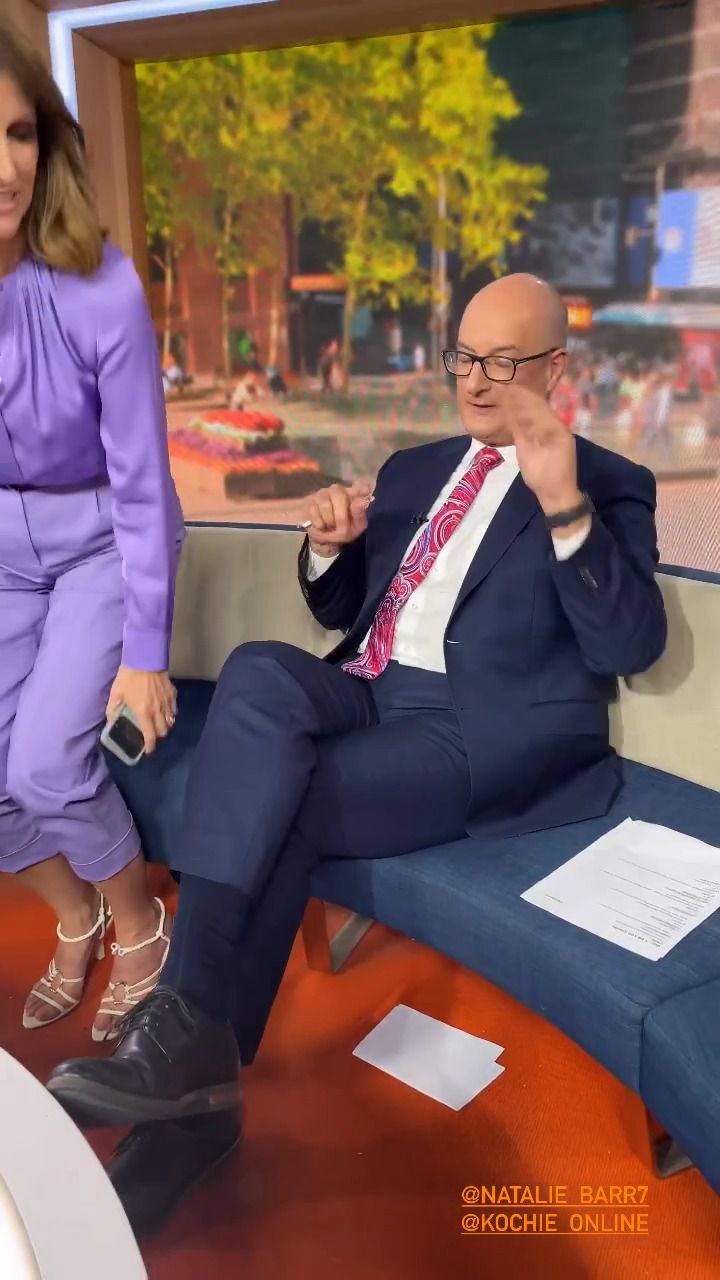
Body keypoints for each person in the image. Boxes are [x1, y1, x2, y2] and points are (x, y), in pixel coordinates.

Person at [48, 273, 667, 1238]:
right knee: (260, 668)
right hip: (370, 689)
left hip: (476, 732)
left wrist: (563, 508)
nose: (475, 380)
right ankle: (190, 1054)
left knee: (282, 797)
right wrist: (332, 550)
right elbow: (352, 610)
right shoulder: (419, 469)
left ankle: (187, 1080)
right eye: (464, 356)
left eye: (503, 363)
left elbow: (628, 644)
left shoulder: (608, 481)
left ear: (556, 369)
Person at [0, 22, 182, 1041]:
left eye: (19, 134)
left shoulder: (101, 286)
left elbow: (145, 485)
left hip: (104, 541)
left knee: (40, 766)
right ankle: (77, 916)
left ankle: (139, 920)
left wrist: (145, 655)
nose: (5, 168)